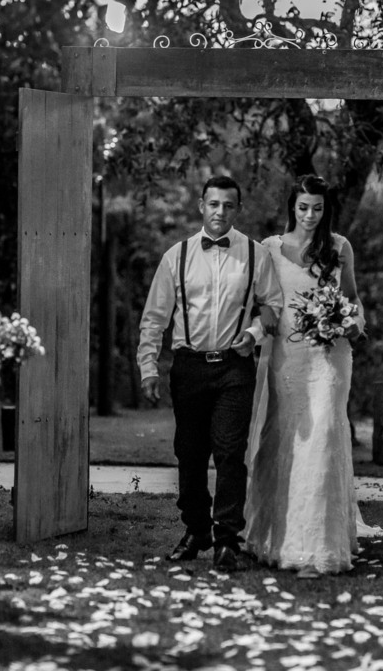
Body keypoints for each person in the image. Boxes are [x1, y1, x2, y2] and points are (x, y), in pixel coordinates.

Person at [137, 176, 284, 572]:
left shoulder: (255, 254)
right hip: (189, 367)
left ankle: (227, 540)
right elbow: (154, 318)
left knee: (230, 453)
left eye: (228, 205)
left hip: (235, 366)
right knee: (189, 453)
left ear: (238, 209)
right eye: (214, 204)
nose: (220, 212)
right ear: (201, 205)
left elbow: (273, 305)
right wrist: (148, 367)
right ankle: (197, 529)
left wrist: (253, 335)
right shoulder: (177, 256)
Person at [244, 174, 383, 578]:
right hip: (286, 358)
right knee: (283, 440)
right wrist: (256, 328)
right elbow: (263, 303)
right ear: (293, 207)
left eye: (317, 208)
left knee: (322, 437)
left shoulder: (339, 247)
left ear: (326, 210)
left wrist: (354, 323)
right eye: (303, 207)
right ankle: (275, 538)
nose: (309, 215)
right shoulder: (270, 248)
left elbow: (352, 298)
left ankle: (320, 545)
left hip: (329, 357)